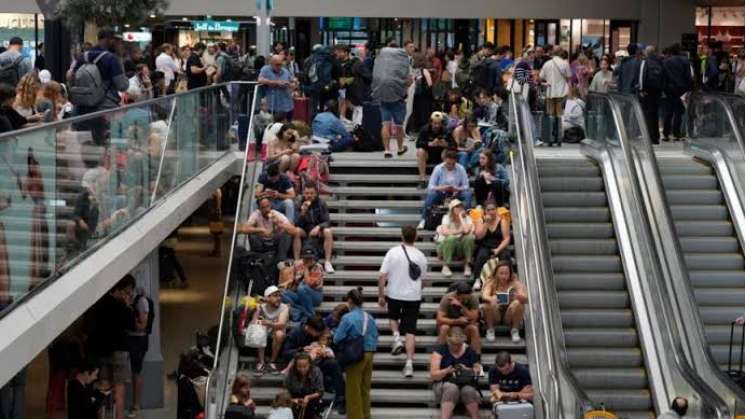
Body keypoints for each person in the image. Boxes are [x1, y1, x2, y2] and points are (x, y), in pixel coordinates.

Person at [377, 225, 427, 377]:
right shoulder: (421, 256)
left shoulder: (393, 252)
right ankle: (409, 364)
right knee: (411, 330)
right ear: (416, 237)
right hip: (413, 296)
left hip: (394, 293)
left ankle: (397, 338)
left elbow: (381, 276)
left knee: (393, 318)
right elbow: (423, 281)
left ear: (402, 236)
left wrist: (381, 295)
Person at [86, 275, 135, 419]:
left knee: (103, 387)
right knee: (119, 390)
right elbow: (131, 325)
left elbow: (91, 327)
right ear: (119, 290)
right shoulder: (121, 306)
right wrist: (127, 306)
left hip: (102, 351)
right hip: (120, 351)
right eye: (127, 292)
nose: (128, 295)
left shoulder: (99, 303)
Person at [281, 316, 346, 413]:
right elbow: (286, 353)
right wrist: (301, 349)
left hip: (318, 362)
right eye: (317, 332)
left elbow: (332, 347)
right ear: (308, 328)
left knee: (334, 364)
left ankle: (340, 400)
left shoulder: (320, 330)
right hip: (301, 364)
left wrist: (325, 351)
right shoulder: (295, 333)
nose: (319, 334)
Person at [334, 287, 378, 419]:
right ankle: (366, 415)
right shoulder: (369, 317)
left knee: (353, 391)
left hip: (355, 355)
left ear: (350, 300)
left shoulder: (347, 318)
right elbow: (375, 336)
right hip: (370, 354)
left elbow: (337, 338)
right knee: (365, 389)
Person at [71, 29, 129, 113]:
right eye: (116, 41)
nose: (119, 44)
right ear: (108, 40)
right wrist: (120, 58)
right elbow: (122, 86)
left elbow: (72, 78)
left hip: (80, 109)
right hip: (104, 110)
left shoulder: (83, 56)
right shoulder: (111, 59)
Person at [430, 326, 482, 419]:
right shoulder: (440, 351)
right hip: (445, 385)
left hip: (466, 383)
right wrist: (446, 371)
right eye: (453, 344)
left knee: (469, 390)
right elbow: (434, 375)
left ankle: (475, 417)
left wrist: (467, 369)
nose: (456, 346)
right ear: (448, 341)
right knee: (451, 388)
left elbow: (478, 370)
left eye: (459, 344)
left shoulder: (469, 350)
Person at [372, 39, 411, 159]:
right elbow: (407, 79)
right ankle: (399, 149)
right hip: (398, 97)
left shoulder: (381, 59)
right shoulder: (402, 59)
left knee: (385, 124)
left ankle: (387, 150)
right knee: (399, 125)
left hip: (383, 95)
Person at [419, 150, 472, 230]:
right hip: (441, 192)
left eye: (453, 164)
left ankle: (466, 218)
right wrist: (442, 188)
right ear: (444, 160)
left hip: (456, 192)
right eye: (448, 163)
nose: (450, 166)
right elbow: (430, 186)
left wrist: (457, 189)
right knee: (431, 195)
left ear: (456, 161)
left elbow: (466, 186)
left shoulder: (461, 168)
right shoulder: (438, 168)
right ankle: (423, 220)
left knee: (467, 194)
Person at [238, 197, 297, 267]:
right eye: (263, 207)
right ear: (259, 208)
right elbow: (243, 229)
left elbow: (294, 231)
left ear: (270, 205)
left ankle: (281, 259)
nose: (266, 209)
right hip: (261, 242)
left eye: (268, 206)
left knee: (287, 233)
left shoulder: (276, 214)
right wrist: (260, 229)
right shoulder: (256, 214)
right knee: (252, 234)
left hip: (275, 241)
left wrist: (279, 223)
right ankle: (257, 257)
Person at [482, 260, 527, 344]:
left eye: (506, 273)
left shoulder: (515, 283)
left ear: (510, 273)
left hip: (509, 314)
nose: (504, 276)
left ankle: (515, 330)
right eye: (501, 273)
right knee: (487, 304)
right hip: (496, 313)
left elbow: (525, 298)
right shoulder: (491, 282)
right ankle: (490, 330)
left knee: (518, 304)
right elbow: (484, 295)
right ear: (496, 273)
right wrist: (492, 298)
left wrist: (517, 296)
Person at [294, 184, 335, 272]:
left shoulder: (321, 203)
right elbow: (296, 223)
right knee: (296, 231)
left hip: (318, 231)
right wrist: (303, 212)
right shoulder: (298, 203)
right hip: (304, 230)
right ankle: (296, 261)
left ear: (316, 193)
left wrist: (319, 227)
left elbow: (327, 221)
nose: (309, 195)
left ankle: (327, 262)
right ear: (303, 193)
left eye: (311, 193)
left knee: (328, 231)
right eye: (307, 193)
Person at [126, 286, 152, 418]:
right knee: (133, 372)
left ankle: (136, 405)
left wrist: (130, 313)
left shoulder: (141, 302)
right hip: (130, 339)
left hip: (138, 340)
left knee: (136, 372)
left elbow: (142, 326)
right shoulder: (130, 301)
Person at [252, 286, 289, 375]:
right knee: (260, 330)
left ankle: (272, 362)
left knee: (279, 334)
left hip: (277, 330)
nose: (278, 298)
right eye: (275, 296)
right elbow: (254, 322)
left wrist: (267, 323)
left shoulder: (284, 307)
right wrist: (257, 311)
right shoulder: (262, 307)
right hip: (265, 329)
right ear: (268, 298)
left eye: (280, 296)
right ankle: (261, 362)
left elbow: (281, 324)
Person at [436, 281, 481, 355]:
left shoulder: (473, 298)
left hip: (465, 327)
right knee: (444, 328)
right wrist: (456, 321)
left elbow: (474, 319)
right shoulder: (447, 298)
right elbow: (439, 319)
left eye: (468, 297)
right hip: (450, 326)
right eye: (463, 298)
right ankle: (439, 356)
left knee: (474, 328)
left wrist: (461, 306)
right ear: (457, 295)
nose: (466, 299)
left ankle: (476, 359)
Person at [282, 249, 325, 323]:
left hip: (314, 295)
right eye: (306, 258)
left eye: (310, 258)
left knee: (302, 288)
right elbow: (292, 278)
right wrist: (286, 283)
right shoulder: (297, 265)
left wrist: (306, 269)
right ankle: (300, 310)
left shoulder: (318, 267)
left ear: (314, 258)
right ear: (303, 258)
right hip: (299, 294)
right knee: (281, 293)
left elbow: (308, 283)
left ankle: (310, 316)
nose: (308, 260)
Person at [415, 111, 455, 188]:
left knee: (448, 152)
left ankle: (445, 179)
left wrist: (446, 144)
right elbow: (418, 144)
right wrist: (430, 144)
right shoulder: (424, 129)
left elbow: (454, 145)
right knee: (420, 151)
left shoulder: (446, 130)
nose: (436, 125)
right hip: (428, 154)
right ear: (431, 122)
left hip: (441, 155)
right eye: (435, 123)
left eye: (438, 123)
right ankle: (422, 179)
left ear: (441, 123)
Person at [539, 48, 571, 143]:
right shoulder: (565, 63)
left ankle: (551, 135)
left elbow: (541, 77)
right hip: (562, 92)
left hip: (550, 92)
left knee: (551, 113)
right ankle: (559, 136)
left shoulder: (547, 63)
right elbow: (569, 77)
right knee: (560, 113)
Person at [436, 199, 475, 277]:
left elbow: (467, 231)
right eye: (456, 207)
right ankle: (446, 266)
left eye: (461, 207)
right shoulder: (446, 217)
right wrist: (460, 231)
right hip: (445, 246)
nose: (459, 209)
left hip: (460, 246)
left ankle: (467, 265)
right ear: (452, 209)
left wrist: (461, 217)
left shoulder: (467, 218)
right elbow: (445, 232)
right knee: (451, 238)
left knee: (469, 238)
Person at [662, 44, 693, 141]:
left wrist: (664, 88)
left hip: (669, 89)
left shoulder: (666, 61)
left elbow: (664, 76)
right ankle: (676, 133)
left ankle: (666, 133)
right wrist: (689, 88)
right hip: (681, 89)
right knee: (678, 112)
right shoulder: (685, 61)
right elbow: (688, 76)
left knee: (668, 111)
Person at [284, 352, 325, 419]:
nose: (302, 369)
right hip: (295, 398)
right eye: (299, 367)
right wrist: (293, 400)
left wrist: (308, 397)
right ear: (295, 366)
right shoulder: (291, 372)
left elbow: (320, 391)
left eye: (305, 366)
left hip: (311, 398)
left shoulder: (316, 371)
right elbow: (286, 390)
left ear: (310, 364)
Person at [639, 45, 666, 144]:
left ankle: (650, 137)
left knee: (648, 114)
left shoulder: (645, 62)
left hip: (647, 91)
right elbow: (664, 76)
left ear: (647, 53)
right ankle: (656, 136)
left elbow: (642, 76)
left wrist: (642, 89)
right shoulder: (660, 62)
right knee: (655, 113)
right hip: (657, 91)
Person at [259, 54, 295, 120]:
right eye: (277, 65)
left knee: (288, 126)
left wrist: (292, 84)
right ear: (271, 63)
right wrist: (276, 83)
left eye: (280, 64)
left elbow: (293, 81)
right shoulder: (265, 69)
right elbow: (260, 80)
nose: (279, 67)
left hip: (287, 104)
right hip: (274, 106)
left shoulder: (285, 71)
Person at [408, 53, 435, 135]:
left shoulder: (413, 71)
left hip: (415, 96)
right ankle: (423, 130)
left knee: (416, 112)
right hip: (424, 96)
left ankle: (415, 129)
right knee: (425, 113)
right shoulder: (424, 70)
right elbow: (430, 84)